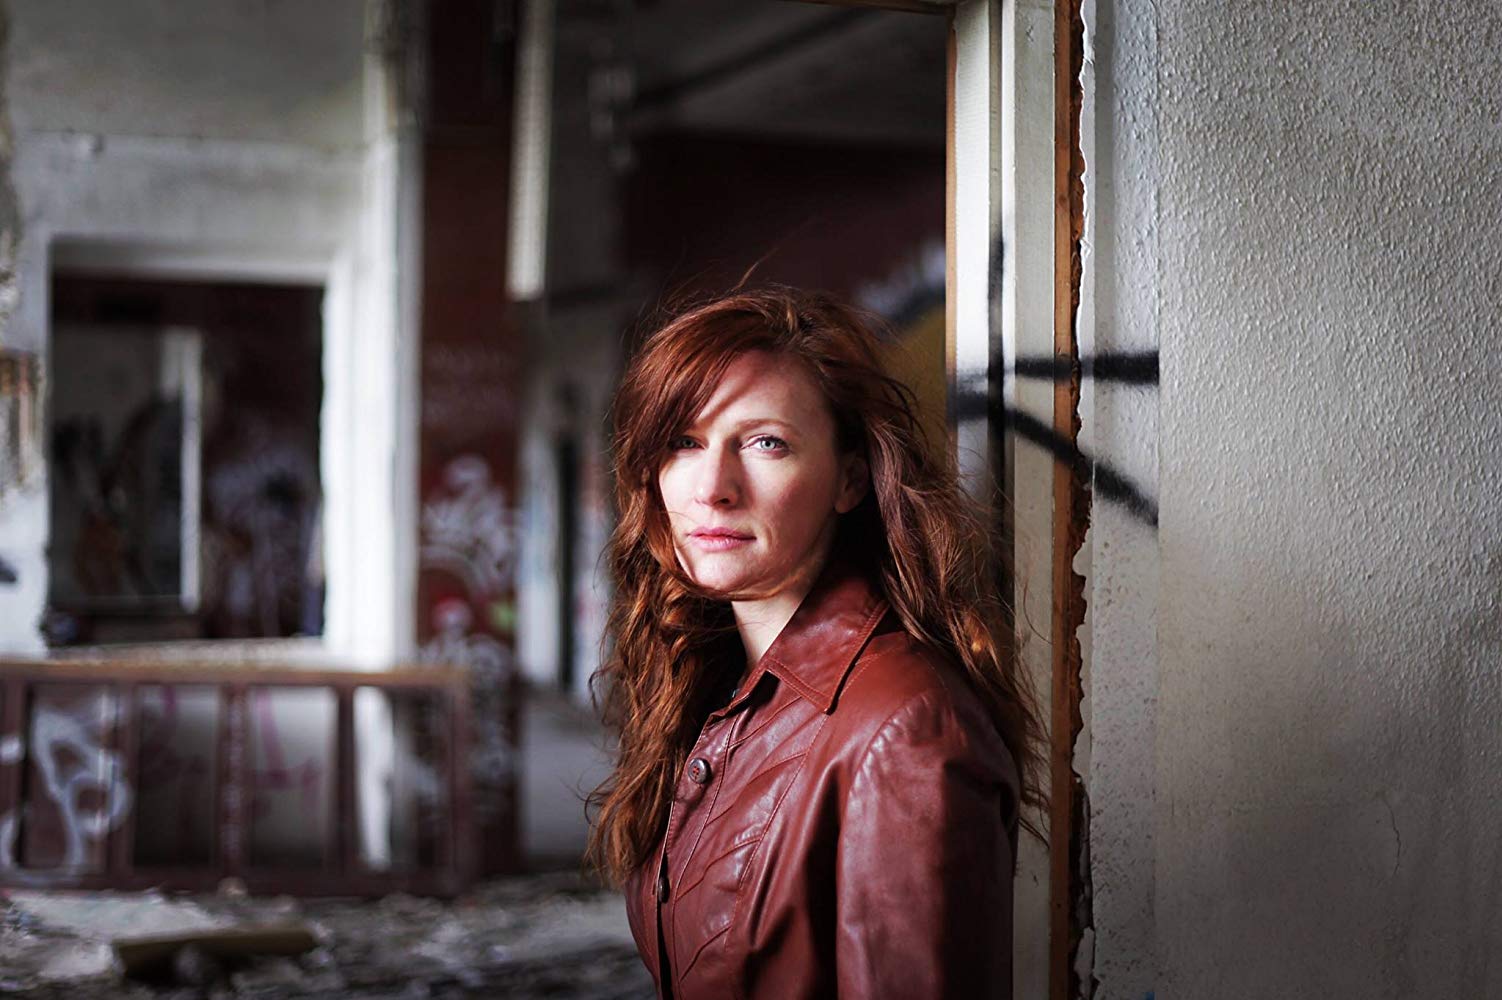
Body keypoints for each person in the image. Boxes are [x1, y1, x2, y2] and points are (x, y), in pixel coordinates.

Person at [586, 287, 1045, 999]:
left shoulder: (905, 732)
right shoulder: (722, 683)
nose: (713, 487)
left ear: (850, 479)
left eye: (765, 443)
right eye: (685, 441)